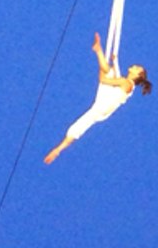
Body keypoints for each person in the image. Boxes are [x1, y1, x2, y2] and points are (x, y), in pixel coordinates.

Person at [44, 32, 151, 165]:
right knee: (80, 126)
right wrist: (115, 61)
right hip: (102, 108)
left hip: (103, 105)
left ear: (137, 75)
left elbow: (108, 80)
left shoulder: (126, 83)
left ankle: (98, 50)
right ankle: (58, 149)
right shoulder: (127, 85)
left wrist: (109, 67)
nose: (134, 66)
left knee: (107, 73)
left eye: (136, 68)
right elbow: (116, 77)